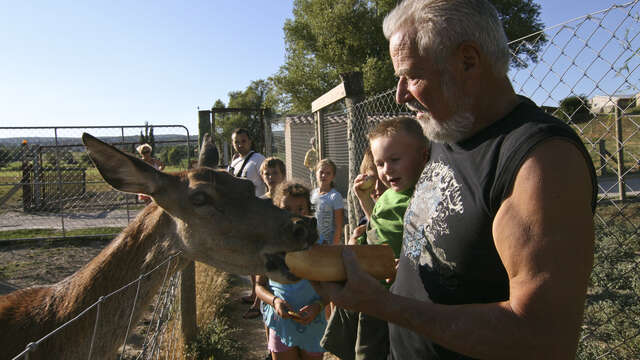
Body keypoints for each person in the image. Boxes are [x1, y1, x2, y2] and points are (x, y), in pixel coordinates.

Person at [311, 1, 598, 359]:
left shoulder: (540, 163)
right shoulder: (446, 131)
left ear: (468, 61)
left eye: (412, 76)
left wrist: (385, 306)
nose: (401, 95)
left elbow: (542, 338)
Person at [321, 117, 429, 360]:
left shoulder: (422, 197)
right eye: (380, 164)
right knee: (348, 339)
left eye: (394, 160)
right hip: (365, 280)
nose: (386, 170)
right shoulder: (391, 194)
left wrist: (409, 262)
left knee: (370, 348)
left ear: (423, 156)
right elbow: (380, 226)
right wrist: (364, 201)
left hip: (387, 293)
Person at [256, 181, 327, 360]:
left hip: (314, 323)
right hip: (282, 324)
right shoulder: (270, 247)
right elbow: (259, 286)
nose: (293, 215)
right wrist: (275, 301)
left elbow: (331, 289)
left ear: (309, 211)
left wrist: (318, 306)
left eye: (300, 209)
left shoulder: (319, 247)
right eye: (286, 209)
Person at [311, 159, 344, 245]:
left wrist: (333, 247)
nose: (324, 175)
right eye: (321, 172)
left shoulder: (335, 196)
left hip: (329, 245)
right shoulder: (312, 194)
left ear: (333, 176)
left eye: (328, 173)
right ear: (316, 173)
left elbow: (338, 227)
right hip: (313, 243)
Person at [228, 128, 267, 197]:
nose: (240, 145)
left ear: (250, 141)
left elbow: (270, 184)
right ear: (233, 144)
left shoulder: (259, 159)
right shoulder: (234, 163)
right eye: (236, 142)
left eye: (243, 141)